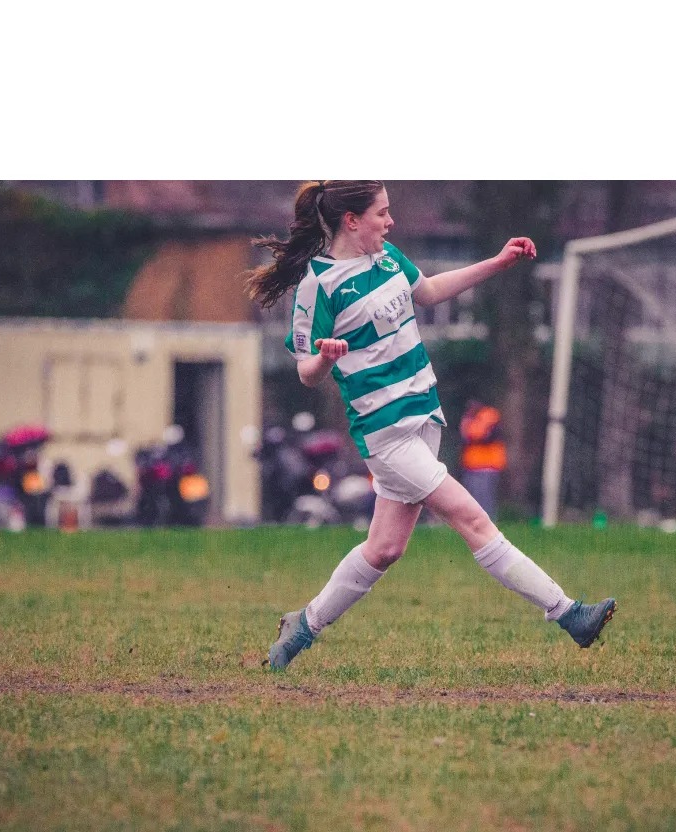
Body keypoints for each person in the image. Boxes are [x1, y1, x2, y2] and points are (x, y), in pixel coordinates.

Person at [246, 181, 616, 671]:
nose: (390, 221)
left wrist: (497, 262)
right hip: (387, 434)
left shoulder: (387, 258)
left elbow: (431, 292)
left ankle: (302, 627)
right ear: (351, 220)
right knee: (473, 520)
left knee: (384, 549)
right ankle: (568, 613)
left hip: (425, 415)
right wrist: (325, 359)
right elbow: (306, 373)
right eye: (382, 213)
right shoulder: (319, 284)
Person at [459, 398, 507, 520]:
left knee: (485, 497)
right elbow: (465, 438)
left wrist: (471, 433)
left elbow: (483, 436)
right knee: (472, 496)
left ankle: (488, 521)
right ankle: (473, 520)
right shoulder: (469, 419)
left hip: (488, 464)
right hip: (472, 464)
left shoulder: (490, 416)